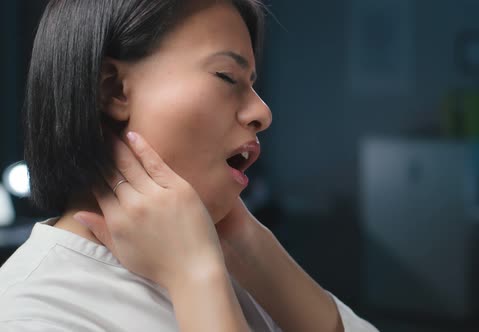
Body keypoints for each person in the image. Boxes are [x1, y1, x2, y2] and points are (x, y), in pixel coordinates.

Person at [0, 0, 378, 331]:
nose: (262, 112)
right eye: (227, 76)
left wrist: (247, 242)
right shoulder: (29, 315)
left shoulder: (238, 268)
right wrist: (195, 276)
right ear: (112, 89)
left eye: (252, 83)